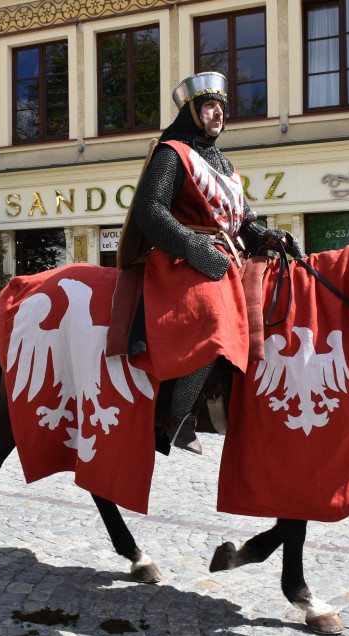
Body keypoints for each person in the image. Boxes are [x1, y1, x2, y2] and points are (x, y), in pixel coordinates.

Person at [118, 71, 301, 455]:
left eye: (221, 107)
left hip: (228, 258)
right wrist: (191, 245)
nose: (217, 114)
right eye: (209, 107)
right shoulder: (171, 153)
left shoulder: (226, 165)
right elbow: (150, 211)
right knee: (216, 319)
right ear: (192, 112)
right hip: (182, 259)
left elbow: (243, 223)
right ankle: (176, 415)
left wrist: (269, 236)